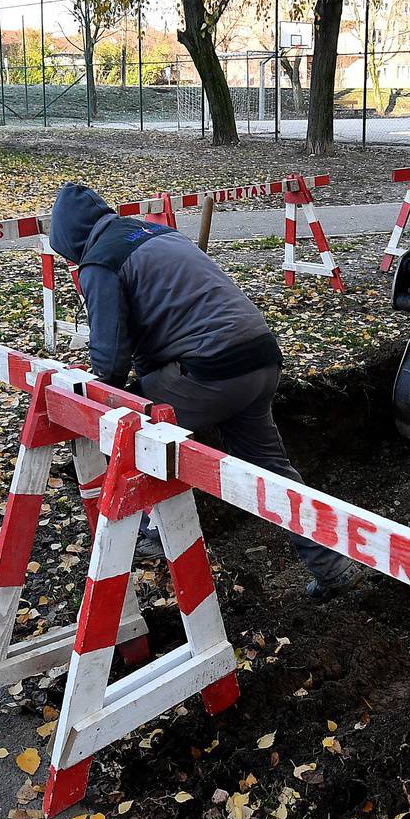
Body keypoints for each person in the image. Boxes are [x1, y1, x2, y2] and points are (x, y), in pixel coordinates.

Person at [48, 182, 365, 599]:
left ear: (69, 240)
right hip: (259, 359)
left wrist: (94, 407)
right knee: (271, 470)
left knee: (130, 424)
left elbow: (109, 361)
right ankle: (332, 566)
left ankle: (152, 529)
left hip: (211, 370)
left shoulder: (99, 262)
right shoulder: (155, 233)